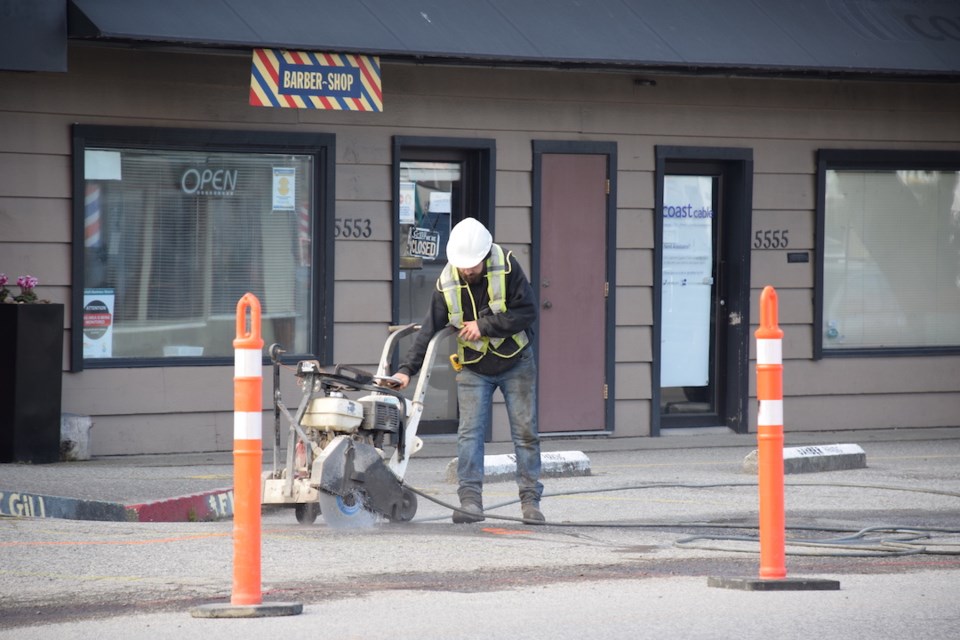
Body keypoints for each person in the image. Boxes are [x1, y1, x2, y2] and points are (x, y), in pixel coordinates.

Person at [392, 218, 545, 524]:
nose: (466, 271)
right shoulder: (448, 280)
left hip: (516, 361)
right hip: (475, 367)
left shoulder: (508, 266)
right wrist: (406, 370)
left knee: (525, 433)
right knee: (469, 435)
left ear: (485, 255)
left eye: (472, 266)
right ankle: (470, 503)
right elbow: (429, 329)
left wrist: (484, 325)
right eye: (462, 266)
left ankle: (530, 502)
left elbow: (527, 312)